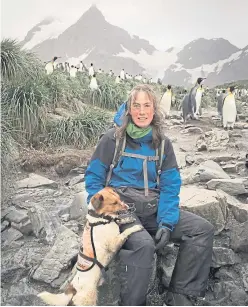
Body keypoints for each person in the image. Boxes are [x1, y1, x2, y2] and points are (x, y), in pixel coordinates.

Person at [85, 84, 214, 306]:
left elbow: (170, 186)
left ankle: (180, 295)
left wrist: (166, 223)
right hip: (122, 209)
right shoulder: (112, 139)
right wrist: (103, 212)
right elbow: (94, 178)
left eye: (147, 105)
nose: (142, 111)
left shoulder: (163, 144)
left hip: (153, 207)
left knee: (201, 230)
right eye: (137, 106)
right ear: (128, 109)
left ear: (154, 109)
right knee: (143, 245)